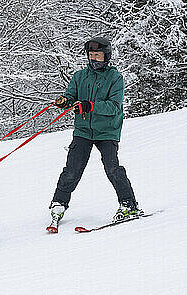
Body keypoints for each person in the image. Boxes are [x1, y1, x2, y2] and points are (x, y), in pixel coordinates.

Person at [49, 36, 140, 228]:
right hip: (83, 129)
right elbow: (71, 95)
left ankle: (128, 203)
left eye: (97, 55)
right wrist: (65, 101)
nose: (93, 59)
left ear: (106, 56)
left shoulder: (115, 78)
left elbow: (114, 106)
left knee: (112, 168)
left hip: (107, 131)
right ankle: (59, 203)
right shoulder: (80, 76)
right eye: (91, 55)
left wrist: (89, 106)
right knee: (72, 169)